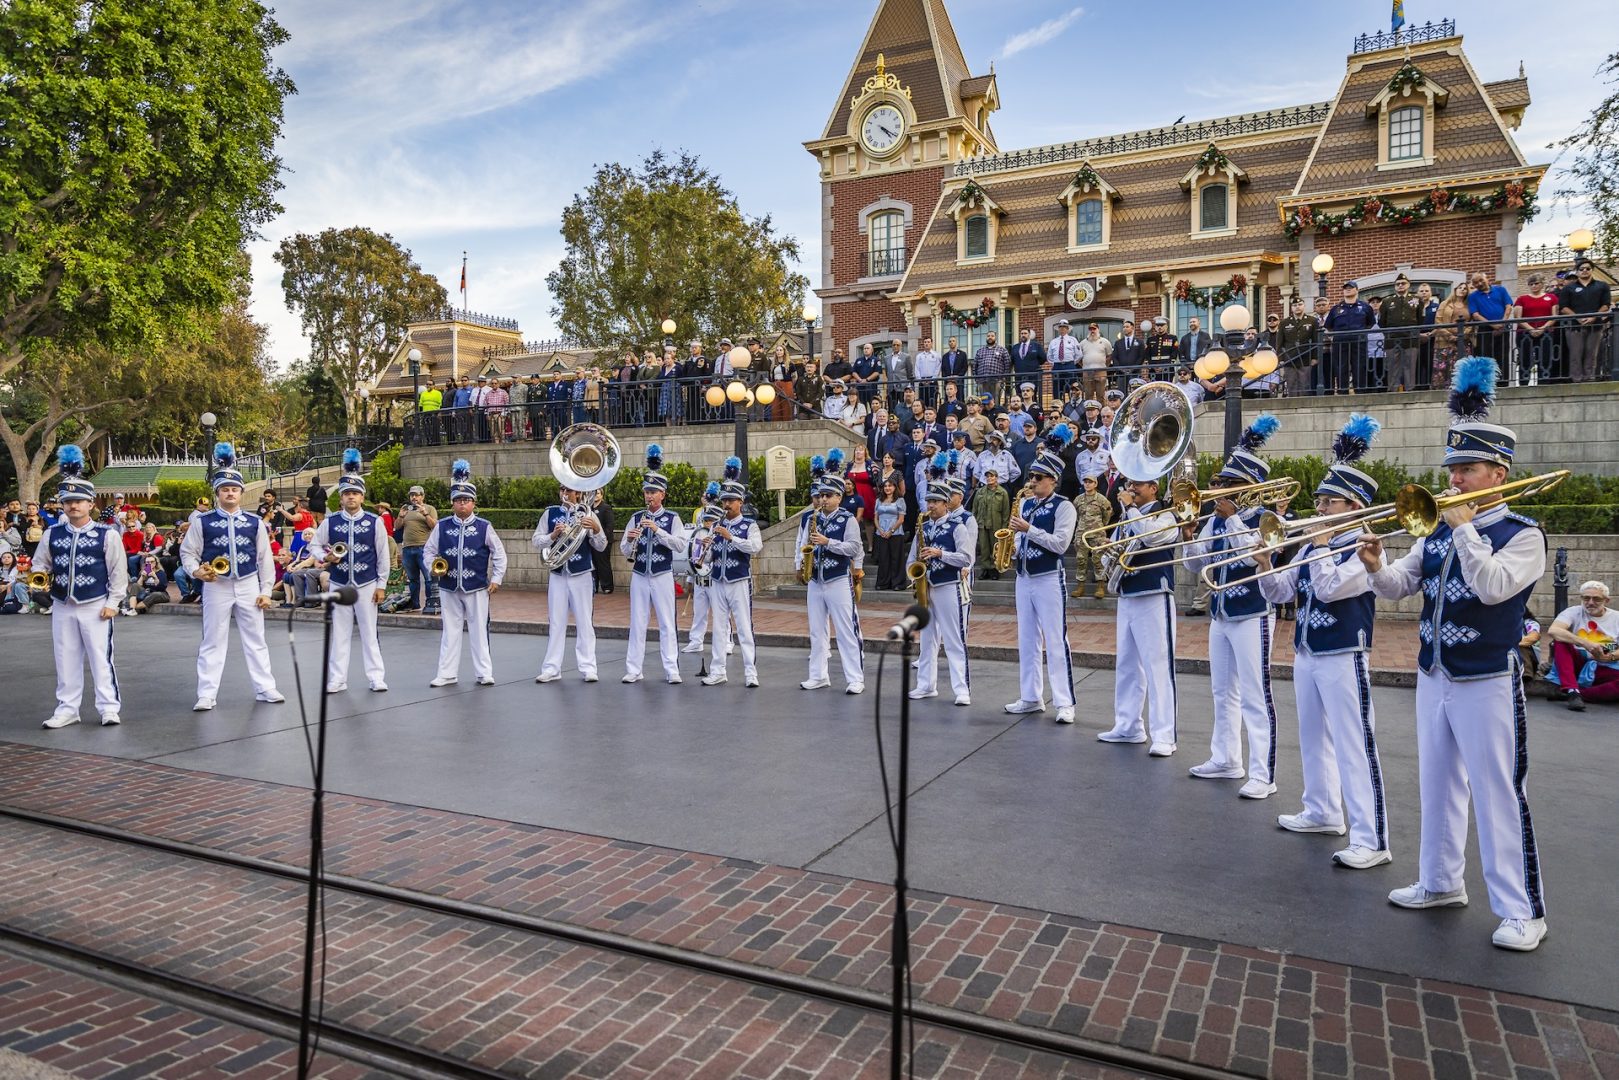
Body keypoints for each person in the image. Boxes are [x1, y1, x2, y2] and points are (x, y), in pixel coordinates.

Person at [1362, 357, 1549, 951]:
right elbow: (1400, 588)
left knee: (1498, 791)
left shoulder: (1523, 533)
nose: (1455, 479)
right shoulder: (1439, 529)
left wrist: (1465, 528)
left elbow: (1496, 587)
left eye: (1466, 469)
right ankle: (1441, 881)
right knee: (1438, 782)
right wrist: (1375, 568)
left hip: (1488, 676)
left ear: (1498, 471)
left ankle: (1523, 911)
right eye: (1453, 469)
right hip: (1435, 672)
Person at [1254, 415, 1390, 859]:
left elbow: (1332, 589)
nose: (1319, 509)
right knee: (1312, 735)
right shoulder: (1317, 544)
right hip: (1308, 649)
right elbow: (1281, 592)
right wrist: (1263, 563)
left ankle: (1371, 839)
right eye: (1320, 501)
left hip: (1344, 650)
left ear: (1353, 506)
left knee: (1354, 743)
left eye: (1328, 502)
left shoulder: (1366, 547)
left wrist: (1323, 545)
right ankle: (1322, 810)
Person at [1181, 416, 1281, 799]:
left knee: (1256, 694)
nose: (1217, 490)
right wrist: (1189, 537)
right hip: (1221, 612)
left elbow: (1251, 559)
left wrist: (1232, 517)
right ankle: (1225, 758)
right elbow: (1195, 566)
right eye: (1220, 484)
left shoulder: (1265, 519)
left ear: (1248, 487)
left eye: (1226, 485)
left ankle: (1263, 774)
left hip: (1253, 613)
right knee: (1222, 692)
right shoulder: (1218, 519)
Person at [181, 442, 284, 711]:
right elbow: (188, 552)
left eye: (234, 489)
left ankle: (265, 687)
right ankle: (207, 693)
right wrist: (196, 572)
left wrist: (266, 590)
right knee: (213, 639)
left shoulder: (255, 523)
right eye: (225, 489)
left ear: (241, 492)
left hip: (249, 583)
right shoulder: (201, 522)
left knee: (256, 637)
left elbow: (264, 558)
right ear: (217, 493)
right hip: (217, 586)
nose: (230, 493)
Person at [36, 445, 127, 728]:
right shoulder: (51, 533)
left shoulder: (107, 534)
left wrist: (113, 603)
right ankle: (67, 708)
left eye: (78, 500)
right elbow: (41, 564)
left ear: (90, 504)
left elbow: (118, 571)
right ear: (62, 504)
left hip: (96, 604)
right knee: (65, 657)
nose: (73, 505)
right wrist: (38, 577)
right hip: (62, 603)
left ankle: (108, 707)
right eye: (68, 500)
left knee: (101, 658)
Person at [1004, 437, 1077, 721]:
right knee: (1027, 639)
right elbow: (1022, 539)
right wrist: (1012, 547)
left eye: (1038, 477)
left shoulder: (1064, 507)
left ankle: (1064, 702)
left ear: (1053, 480)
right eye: (1030, 476)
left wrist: (1028, 529)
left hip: (1048, 578)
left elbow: (1060, 544)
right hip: (1024, 577)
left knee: (1056, 640)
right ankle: (1031, 696)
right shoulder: (1024, 504)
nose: (1031, 481)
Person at [312, 448, 390, 694]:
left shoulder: (373, 521)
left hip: (367, 583)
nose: (351, 497)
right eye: (347, 494)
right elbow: (314, 543)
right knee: (341, 632)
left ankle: (376, 676)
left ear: (362, 496)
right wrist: (324, 557)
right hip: (340, 582)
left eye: (355, 493)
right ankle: (338, 678)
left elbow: (382, 554)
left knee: (369, 632)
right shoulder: (331, 521)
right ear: (341, 497)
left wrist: (381, 585)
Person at [423, 460, 506, 686]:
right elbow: (429, 550)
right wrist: (432, 566)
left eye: (466, 500)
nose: (462, 504)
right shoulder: (441, 525)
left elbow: (499, 553)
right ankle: (447, 673)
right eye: (458, 500)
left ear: (473, 502)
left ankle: (484, 672)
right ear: (452, 503)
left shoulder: (484, 526)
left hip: (477, 586)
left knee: (479, 630)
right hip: (449, 586)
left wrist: (497, 578)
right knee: (450, 631)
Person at [620, 445, 689, 684]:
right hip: (639, 573)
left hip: (662, 574)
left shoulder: (672, 519)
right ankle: (634, 669)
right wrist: (630, 540)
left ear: (663, 495)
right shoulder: (636, 518)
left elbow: (680, 545)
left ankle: (672, 669)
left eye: (653, 492)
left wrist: (657, 530)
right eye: (646, 491)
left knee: (667, 622)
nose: (649, 496)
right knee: (637, 622)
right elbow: (624, 550)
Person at [799, 451, 864, 695]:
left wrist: (828, 543)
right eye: (821, 495)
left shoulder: (848, 519)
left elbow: (854, 548)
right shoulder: (812, 518)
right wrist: (803, 562)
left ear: (839, 496)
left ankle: (855, 678)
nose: (823, 499)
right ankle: (818, 675)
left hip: (837, 579)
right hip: (816, 579)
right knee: (816, 631)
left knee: (846, 629)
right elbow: (803, 544)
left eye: (828, 495)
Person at [532, 481, 607, 685]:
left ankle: (588, 667)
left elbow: (601, 546)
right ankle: (551, 668)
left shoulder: (587, 513)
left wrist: (597, 528)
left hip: (581, 572)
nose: (564, 493)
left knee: (584, 622)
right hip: (557, 573)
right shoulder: (549, 513)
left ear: (578, 493)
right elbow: (536, 541)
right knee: (556, 622)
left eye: (569, 490)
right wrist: (553, 535)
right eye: (562, 489)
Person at [908, 480, 974, 706]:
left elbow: (966, 558)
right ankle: (926, 685)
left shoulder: (958, 527)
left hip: (948, 585)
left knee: (954, 639)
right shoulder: (922, 528)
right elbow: (911, 560)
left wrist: (940, 554)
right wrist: (914, 575)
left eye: (935, 501)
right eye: (929, 501)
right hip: (927, 586)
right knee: (927, 638)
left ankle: (962, 689)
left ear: (946, 503)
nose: (931, 505)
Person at [701, 464, 761, 688]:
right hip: (717, 580)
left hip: (738, 581)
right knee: (719, 627)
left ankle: (750, 672)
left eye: (731, 500)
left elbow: (755, 547)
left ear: (740, 503)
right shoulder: (716, 525)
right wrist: (703, 552)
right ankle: (718, 671)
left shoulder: (749, 525)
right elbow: (709, 558)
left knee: (744, 627)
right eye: (724, 500)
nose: (726, 504)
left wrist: (731, 538)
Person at [1546, 581, 1619, 708]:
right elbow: (1553, 630)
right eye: (1586, 598)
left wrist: (1612, 656)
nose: (1590, 602)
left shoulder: (1616, 617)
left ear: (1606, 600)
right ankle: (1571, 690)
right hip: (1576, 661)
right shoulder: (1573, 612)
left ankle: (1578, 694)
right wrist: (1585, 643)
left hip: (1604, 663)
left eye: (1596, 599)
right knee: (1560, 640)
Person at [1559, 259, 1612, 383]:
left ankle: (1589, 378)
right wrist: (1577, 317)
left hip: (1596, 325)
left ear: (1592, 270)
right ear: (1577, 272)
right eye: (1581, 269)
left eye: (1587, 268)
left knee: (1591, 354)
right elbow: (1563, 307)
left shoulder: (1602, 286)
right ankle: (1576, 380)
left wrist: (1594, 317)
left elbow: (1606, 305)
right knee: (1575, 354)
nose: (1584, 271)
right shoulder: (1569, 288)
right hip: (1574, 326)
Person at [1324, 282, 1374, 393]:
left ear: (1357, 290)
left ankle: (1360, 391)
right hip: (1340, 343)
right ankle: (1343, 392)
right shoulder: (1336, 309)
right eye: (1345, 288)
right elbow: (1328, 326)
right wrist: (1333, 338)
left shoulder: (1365, 307)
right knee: (1341, 367)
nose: (1347, 290)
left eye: (1350, 288)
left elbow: (1370, 324)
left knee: (1360, 366)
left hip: (1359, 342)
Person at [1465, 270, 1514, 382]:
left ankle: (1503, 382)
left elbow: (1508, 306)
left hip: (1503, 326)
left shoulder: (1500, 290)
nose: (1479, 284)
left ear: (1487, 279)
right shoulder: (1473, 296)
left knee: (1503, 355)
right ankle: (1487, 383)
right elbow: (1476, 315)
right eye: (1476, 283)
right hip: (1485, 329)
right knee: (1486, 356)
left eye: (1481, 280)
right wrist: (1493, 325)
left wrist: (1502, 323)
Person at [396, 485, 438, 612]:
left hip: (424, 548)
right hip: (407, 548)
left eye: (417, 495)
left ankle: (430, 604)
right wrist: (401, 516)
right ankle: (415, 605)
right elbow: (397, 527)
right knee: (412, 579)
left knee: (429, 578)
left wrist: (425, 513)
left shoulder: (429, 508)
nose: (414, 497)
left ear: (422, 496)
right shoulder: (405, 509)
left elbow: (434, 526)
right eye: (412, 495)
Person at [1512, 273, 1560, 386]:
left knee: (1545, 359)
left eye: (1536, 283)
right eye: (1531, 284)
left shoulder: (1552, 298)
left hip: (1546, 332)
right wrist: (1531, 329)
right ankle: (1523, 385)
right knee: (1525, 360)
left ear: (1542, 284)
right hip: (1524, 333)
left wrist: (1542, 328)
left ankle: (1543, 385)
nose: (1534, 286)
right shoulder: (1522, 299)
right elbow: (1518, 317)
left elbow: (1554, 316)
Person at [1070, 473, 1112, 599]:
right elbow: (1075, 515)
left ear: (1095, 484)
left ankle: (1100, 587)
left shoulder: (1101, 500)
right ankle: (1080, 586)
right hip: (1081, 534)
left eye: (1090, 482)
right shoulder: (1078, 499)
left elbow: (1107, 514)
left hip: (1097, 534)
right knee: (1081, 559)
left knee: (1098, 560)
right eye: (1086, 482)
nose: (1087, 484)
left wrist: (1100, 526)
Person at [1380, 274, 1424, 392]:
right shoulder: (1387, 301)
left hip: (1410, 338)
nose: (1400, 286)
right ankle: (1393, 390)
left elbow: (1420, 319)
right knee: (1393, 366)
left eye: (1403, 283)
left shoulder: (1416, 300)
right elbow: (1382, 321)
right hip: (1392, 338)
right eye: (1397, 284)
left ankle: (1410, 389)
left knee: (1410, 365)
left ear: (1408, 285)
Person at [970, 467, 1009, 582]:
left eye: (992, 476)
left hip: (996, 525)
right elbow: (974, 509)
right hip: (982, 524)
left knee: (995, 548)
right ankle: (985, 569)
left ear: (996, 478)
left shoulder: (1002, 493)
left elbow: (1006, 513)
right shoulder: (980, 492)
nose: (989, 478)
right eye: (987, 476)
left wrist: (1004, 528)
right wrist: (974, 523)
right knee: (984, 548)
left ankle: (995, 569)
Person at [1278, 298, 1320, 397]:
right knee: (1291, 383)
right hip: (1290, 357)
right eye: (1294, 305)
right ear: (1291, 308)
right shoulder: (1284, 322)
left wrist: (1315, 357)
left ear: (1304, 306)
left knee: (1305, 383)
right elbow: (1279, 342)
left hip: (1306, 357)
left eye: (1300, 304)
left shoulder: (1312, 321)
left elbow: (1316, 340)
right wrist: (1281, 358)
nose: (1297, 307)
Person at [872, 479, 907, 591]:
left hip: (896, 533)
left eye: (890, 486)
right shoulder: (878, 500)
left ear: (895, 487)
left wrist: (891, 531)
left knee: (896, 558)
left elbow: (901, 519)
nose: (887, 488)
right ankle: (883, 583)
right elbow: (875, 518)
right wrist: (880, 530)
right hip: (881, 533)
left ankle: (898, 583)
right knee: (883, 558)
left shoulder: (900, 500)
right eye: (885, 486)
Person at [974, 330, 1011, 404]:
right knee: (984, 400)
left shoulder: (1002, 350)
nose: (990, 337)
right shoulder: (980, 351)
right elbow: (975, 365)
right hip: (982, 381)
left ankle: (995, 414)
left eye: (992, 336)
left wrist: (1003, 378)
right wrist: (976, 378)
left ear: (995, 338)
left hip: (997, 380)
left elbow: (1007, 364)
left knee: (995, 401)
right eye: (988, 336)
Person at [1078, 322, 1112, 402]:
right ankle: (1089, 412)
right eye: (1090, 329)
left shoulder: (1105, 342)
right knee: (1088, 395)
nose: (1092, 331)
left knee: (1101, 395)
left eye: (1094, 329)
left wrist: (1104, 366)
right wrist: (1085, 366)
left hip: (1101, 372)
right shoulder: (1082, 343)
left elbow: (1110, 356)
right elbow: (1078, 357)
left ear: (1098, 329)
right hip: (1087, 372)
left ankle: (1101, 413)